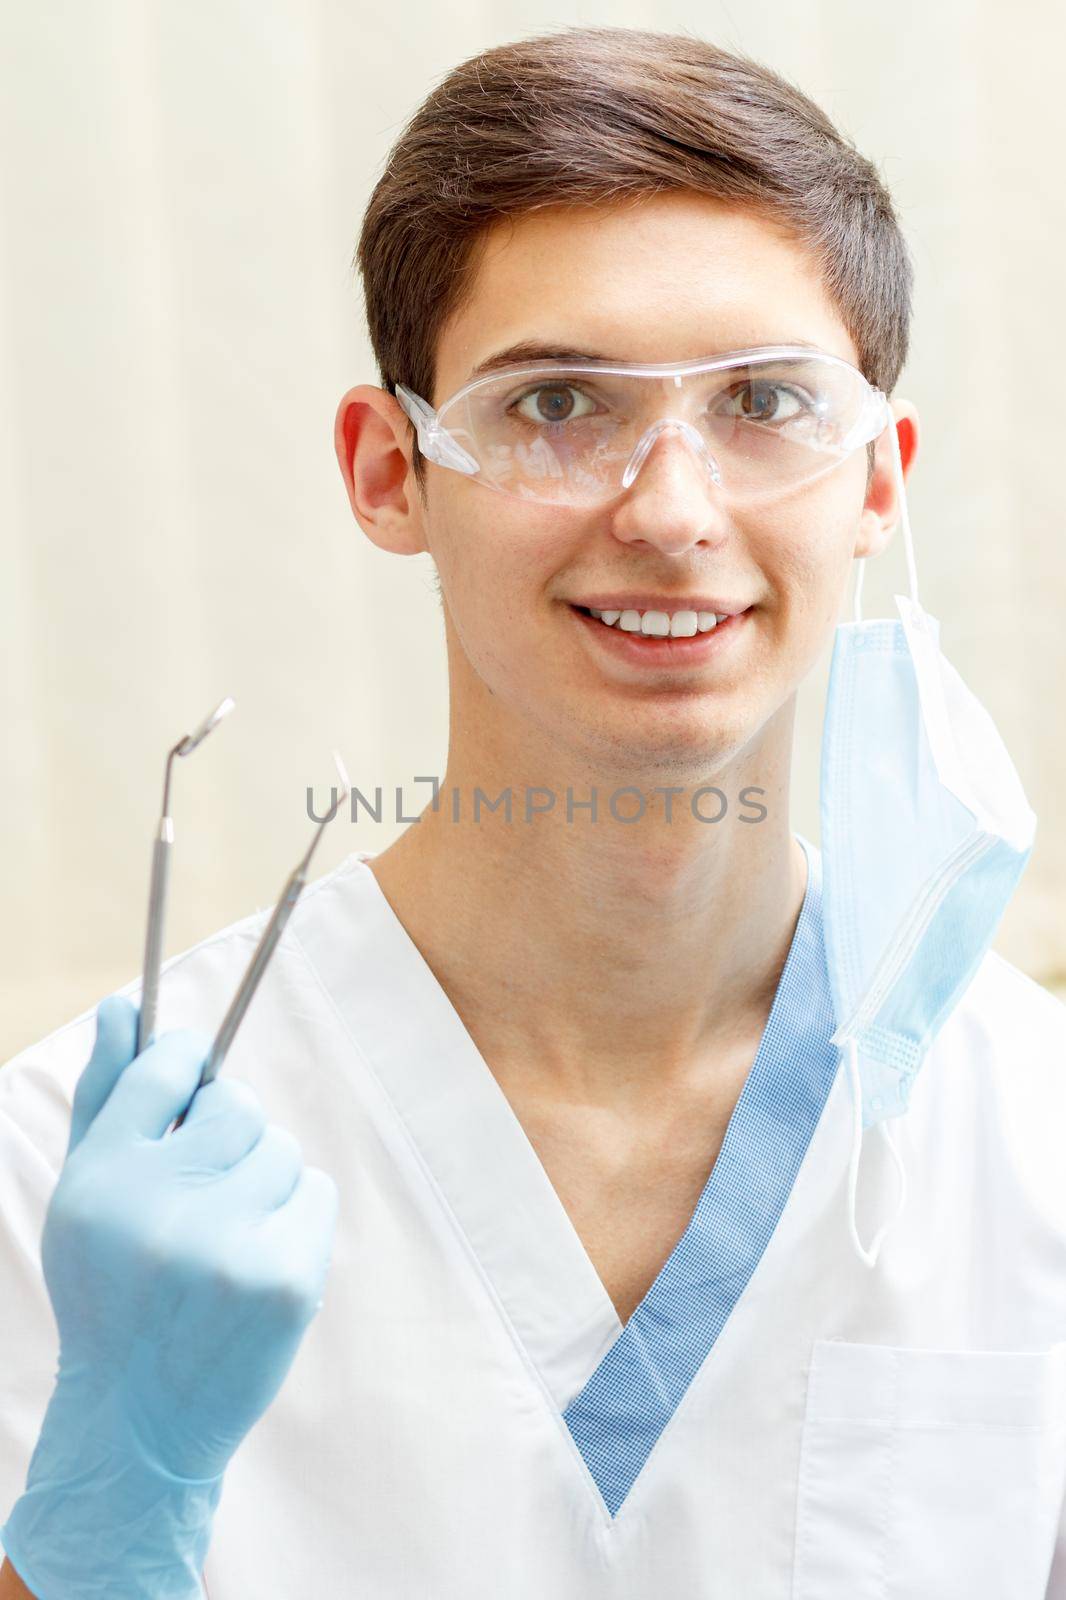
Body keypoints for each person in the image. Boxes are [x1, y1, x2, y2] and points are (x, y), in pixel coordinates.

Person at [2, 23, 1065, 1599]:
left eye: (764, 402)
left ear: (877, 480)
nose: (671, 511)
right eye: (556, 402)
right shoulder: (72, 1186)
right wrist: (96, 1517)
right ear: (387, 472)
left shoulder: (1025, 1129)